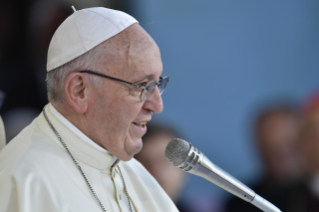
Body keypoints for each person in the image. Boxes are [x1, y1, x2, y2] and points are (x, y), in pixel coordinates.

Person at [0, 7, 178, 212]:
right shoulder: (23, 181)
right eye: (142, 86)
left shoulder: (134, 173)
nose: (157, 105)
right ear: (79, 90)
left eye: (158, 84)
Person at [225, 103, 304, 212]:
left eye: (289, 145)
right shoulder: (241, 201)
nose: (281, 158)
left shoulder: (313, 194)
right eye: (270, 149)